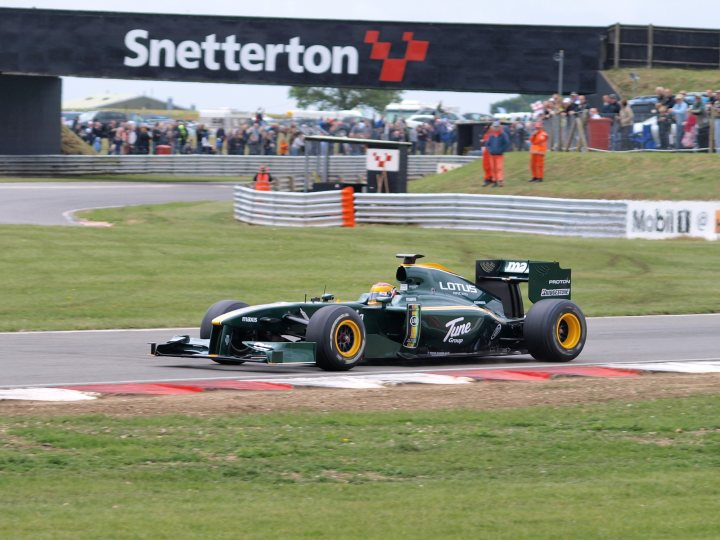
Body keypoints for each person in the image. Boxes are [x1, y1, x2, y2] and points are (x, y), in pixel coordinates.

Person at [484, 122, 510, 187]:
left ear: (499, 127)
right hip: (492, 154)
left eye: (497, 127)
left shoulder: (503, 134)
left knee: (499, 168)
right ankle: (495, 181)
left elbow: (506, 143)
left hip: (499, 154)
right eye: (495, 127)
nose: (496, 128)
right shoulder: (491, 135)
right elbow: (487, 144)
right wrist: (490, 150)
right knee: (493, 168)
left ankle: (500, 181)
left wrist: (502, 150)